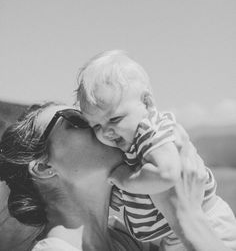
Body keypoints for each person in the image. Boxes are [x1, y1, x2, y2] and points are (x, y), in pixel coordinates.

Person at [0, 101, 233, 251]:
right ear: (43, 167)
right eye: (77, 120)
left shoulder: (133, 237)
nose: (98, 124)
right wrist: (189, 217)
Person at [76, 49, 236, 249]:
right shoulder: (132, 143)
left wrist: (123, 179)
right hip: (173, 235)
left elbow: (166, 173)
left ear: (147, 102)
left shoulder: (150, 130)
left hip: (210, 224)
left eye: (114, 119)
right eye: (96, 126)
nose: (106, 131)